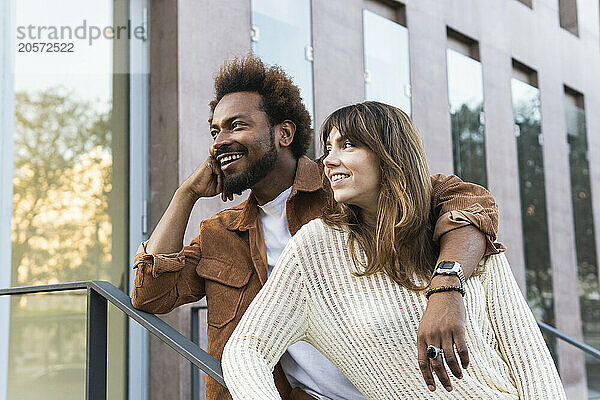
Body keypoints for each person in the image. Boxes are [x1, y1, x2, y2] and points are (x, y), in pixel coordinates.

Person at [131, 56, 503, 399]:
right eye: (214, 132)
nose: (219, 143)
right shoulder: (222, 233)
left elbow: (468, 202)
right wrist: (186, 194)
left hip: (401, 387)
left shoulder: (344, 185)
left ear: (284, 134)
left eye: (236, 126)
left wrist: (447, 288)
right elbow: (150, 294)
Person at [222, 101, 566, 399]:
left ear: (390, 154)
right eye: (328, 148)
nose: (328, 160)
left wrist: (446, 289)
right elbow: (246, 348)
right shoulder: (316, 248)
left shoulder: (463, 232)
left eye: (347, 145)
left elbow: (530, 360)